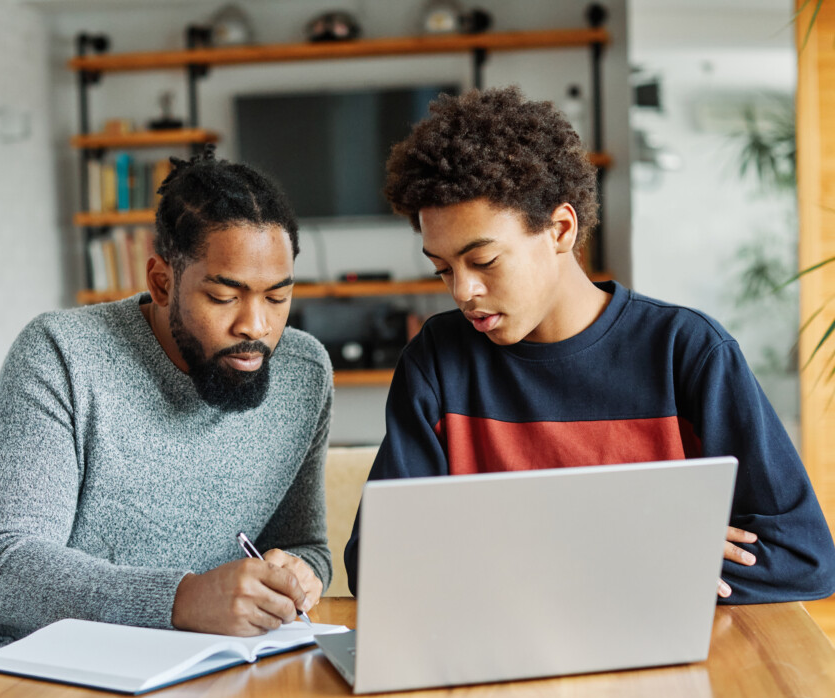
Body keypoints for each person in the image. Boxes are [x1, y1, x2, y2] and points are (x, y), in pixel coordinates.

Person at [344, 86, 835, 604]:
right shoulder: (438, 361)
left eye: (484, 262)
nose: (463, 291)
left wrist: (524, 558)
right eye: (442, 269)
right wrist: (628, 552)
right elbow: (378, 564)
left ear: (560, 228)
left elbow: (804, 558)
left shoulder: (687, 352)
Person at [0, 148, 334, 696]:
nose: (257, 326)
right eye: (224, 296)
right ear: (163, 280)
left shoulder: (303, 373)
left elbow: (304, 542)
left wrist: (300, 575)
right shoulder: (61, 355)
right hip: (31, 666)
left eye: (279, 296)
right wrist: (184, 598)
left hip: (201, 666)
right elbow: (3, 570)